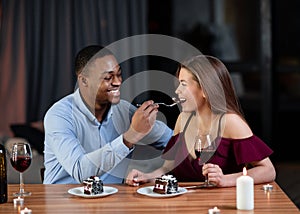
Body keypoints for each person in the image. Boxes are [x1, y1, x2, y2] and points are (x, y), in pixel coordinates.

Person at [126, 55, 276, 187]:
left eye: (183, 84)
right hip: (185, 205)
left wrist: (225, 180)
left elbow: (268, 170)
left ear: (204, 90)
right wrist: (147, 176)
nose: (177, 90)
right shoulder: (183, 120)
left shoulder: (230, 122)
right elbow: (167, 168)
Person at [43, 45, 173, 184]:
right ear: (84, 80)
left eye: (119, 74)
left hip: (113, 201)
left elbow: (176, 142)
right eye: (108, 77)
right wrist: (129, 137)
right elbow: (80, 171)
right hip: (63, 201)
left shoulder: (125, 111)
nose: (118, 82)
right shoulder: (59, 116)